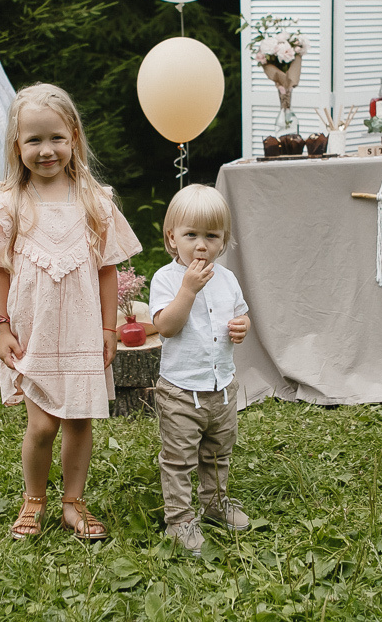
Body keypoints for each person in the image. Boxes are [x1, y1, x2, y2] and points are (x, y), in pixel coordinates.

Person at [0, 83, 141, 541]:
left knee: (80, 418)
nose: (46, 150)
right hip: (34, 330)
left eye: (56, 138)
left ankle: (73, 502)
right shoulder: (8, 203)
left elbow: (107, 270)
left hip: (83, 328)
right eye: (34, 140)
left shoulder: (94, 201)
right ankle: (34, 499)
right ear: (16, 145)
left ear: (74, 138)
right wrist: (1, 327)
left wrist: (109, 327)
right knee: (42, 423)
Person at [148, 184, 252, 556]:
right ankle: (180, 520)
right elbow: (167, 327)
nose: (202, 245)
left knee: (217, 452)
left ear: (224, 240)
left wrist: (242, 326)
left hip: (222, 387)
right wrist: (188, 290)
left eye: (212, 235)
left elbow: (239, 314)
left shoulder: (227, 279)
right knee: (179, 459)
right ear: (171, 238)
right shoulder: (166, 279)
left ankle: (214, 503)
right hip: (180, 391)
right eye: (191, 235)